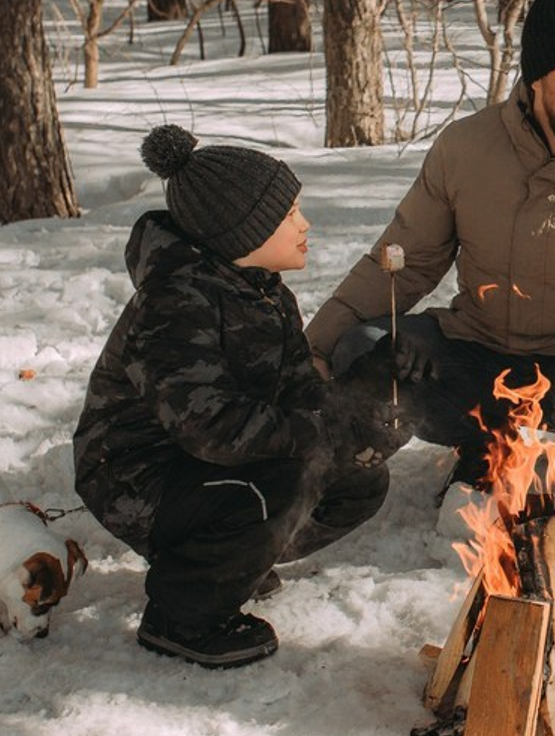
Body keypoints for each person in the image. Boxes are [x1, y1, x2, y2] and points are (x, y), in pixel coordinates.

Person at [306, 0, 555, 491]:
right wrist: (314, 348)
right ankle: (493, 448)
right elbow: (405, 260)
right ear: (537, 79)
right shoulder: (466, 147)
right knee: (363, 350)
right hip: (477, 352)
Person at [75, 125, 407, 669]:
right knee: (288, 476)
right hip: (136, 476)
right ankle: (181, 615)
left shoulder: (265, 293)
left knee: (359, 479)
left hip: (205, 468)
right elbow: (212, 427)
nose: (306, 225)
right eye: (290, 214)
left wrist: (362, 409)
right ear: (241, 230)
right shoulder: (176, 305)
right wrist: (323, 437)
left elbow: (299, 395)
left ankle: (232, 563)